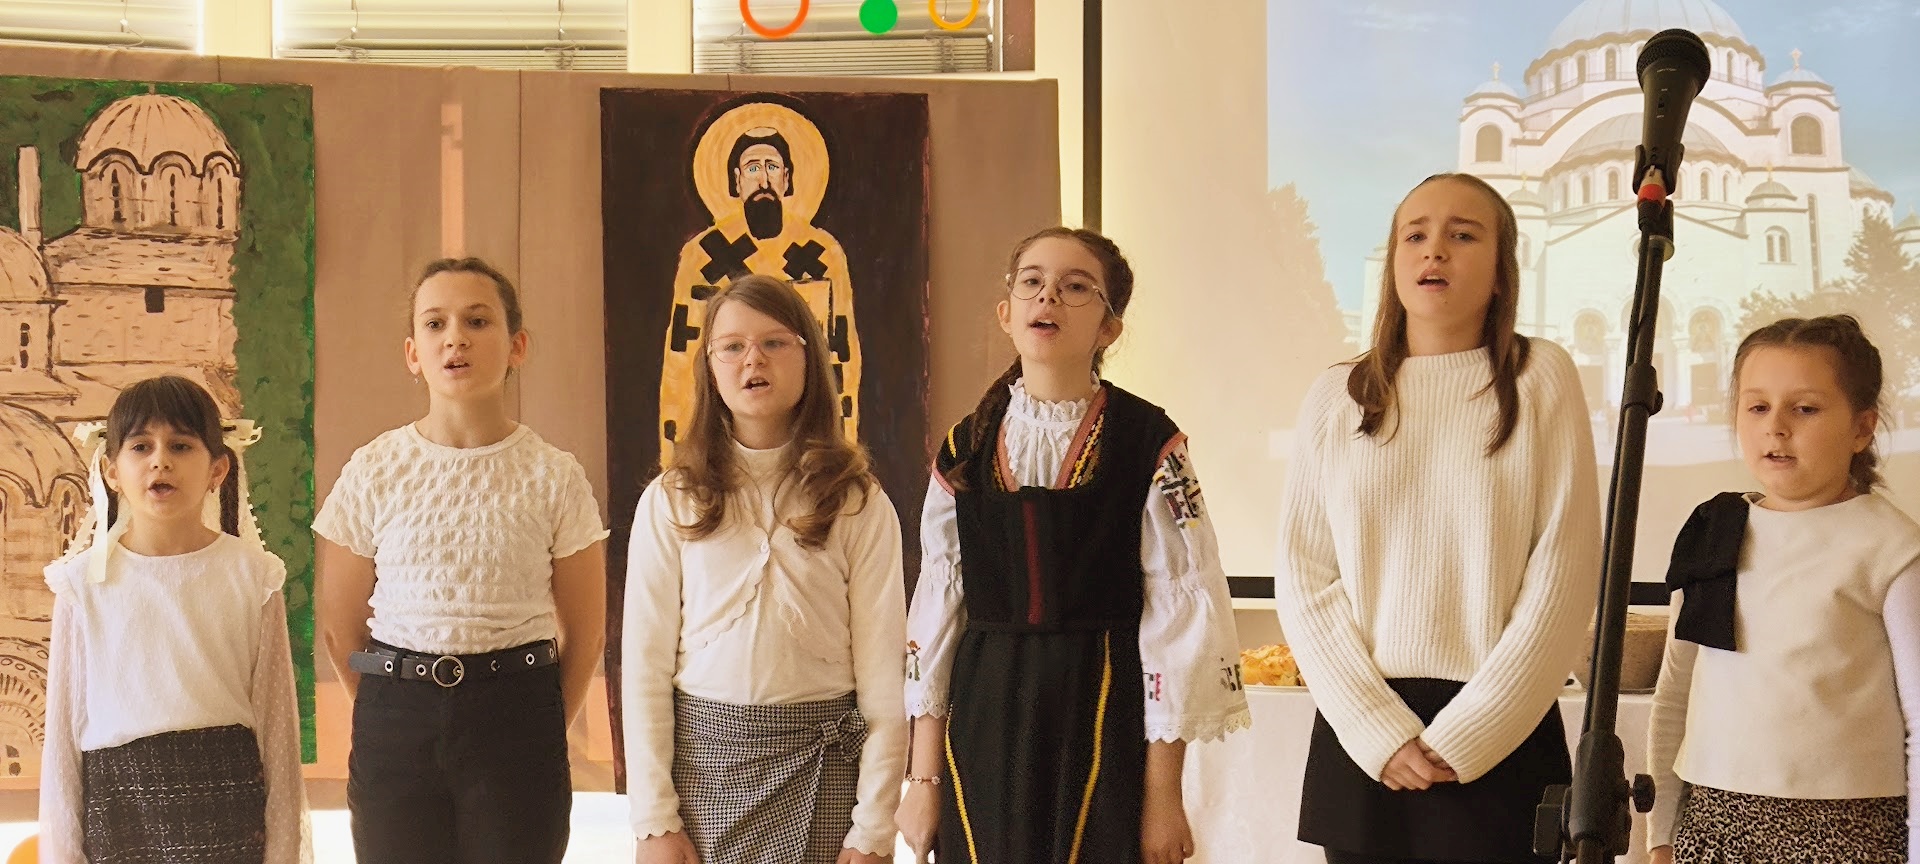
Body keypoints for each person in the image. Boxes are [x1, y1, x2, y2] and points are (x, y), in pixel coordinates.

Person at [1274, 173, 1603, 863]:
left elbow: (1563, 573)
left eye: (1463, 235)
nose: (1435, 251)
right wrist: (1376, 728)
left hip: (1502, 738)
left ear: (1502, 269)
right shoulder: (1335, 395)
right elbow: (1304, 578)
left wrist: (1474, 732)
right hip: (1364, 740)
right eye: (1415, 235)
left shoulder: (1541, 377)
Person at [898, 227, 1250, 864]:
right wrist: (923, 782)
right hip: (985, 713)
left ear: (1109, 328)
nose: (1048, 297)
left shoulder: (1149, 441)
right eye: (1032, 282)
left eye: (1076, 287)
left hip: (1103, 707)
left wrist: (1162, 796)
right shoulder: (964, 447)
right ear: (1006, 312)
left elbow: (1177, 612)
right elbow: (939, 609)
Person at [314, 257, 608, 863]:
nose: (456, 338)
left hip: (518, 715)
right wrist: (391, 707)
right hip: (395, 719)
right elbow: (341, 627)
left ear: (517, 345)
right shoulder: (373, 469)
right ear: (412, 354)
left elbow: (586, 629)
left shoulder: (554, 475)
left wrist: (540, 720)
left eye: (477, 321)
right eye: (435, 323)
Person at [625, 273, 905, 864]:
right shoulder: (672, 499)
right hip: (703, 777)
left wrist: (874, 830)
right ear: (710, 369)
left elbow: (884, 683)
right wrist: (654, 822)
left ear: (808, 358)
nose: (753, 359)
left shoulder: (857, 501)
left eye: (774, 342)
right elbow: (645, 672)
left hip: (824, 772)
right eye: (732, 346)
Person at [1648, 314, 1918, 864]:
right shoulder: (1715, 530)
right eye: (1757, 407)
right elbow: (1676, 691)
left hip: (1851, 830)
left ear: (1862, 428)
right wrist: (1661, 832)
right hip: (1716, 821)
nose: (1776, 427)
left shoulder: (1891, 546)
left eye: (1805, 408)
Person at [40, 375, 310, 863]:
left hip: (228, 804)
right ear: (111, 471)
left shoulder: (252, 575)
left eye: (181, 445)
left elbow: (278, 731)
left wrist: (284, 851)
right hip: (119, 809)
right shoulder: (82, 585)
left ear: (218, 469)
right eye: (141, 446)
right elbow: (62, 739)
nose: (160, 460)